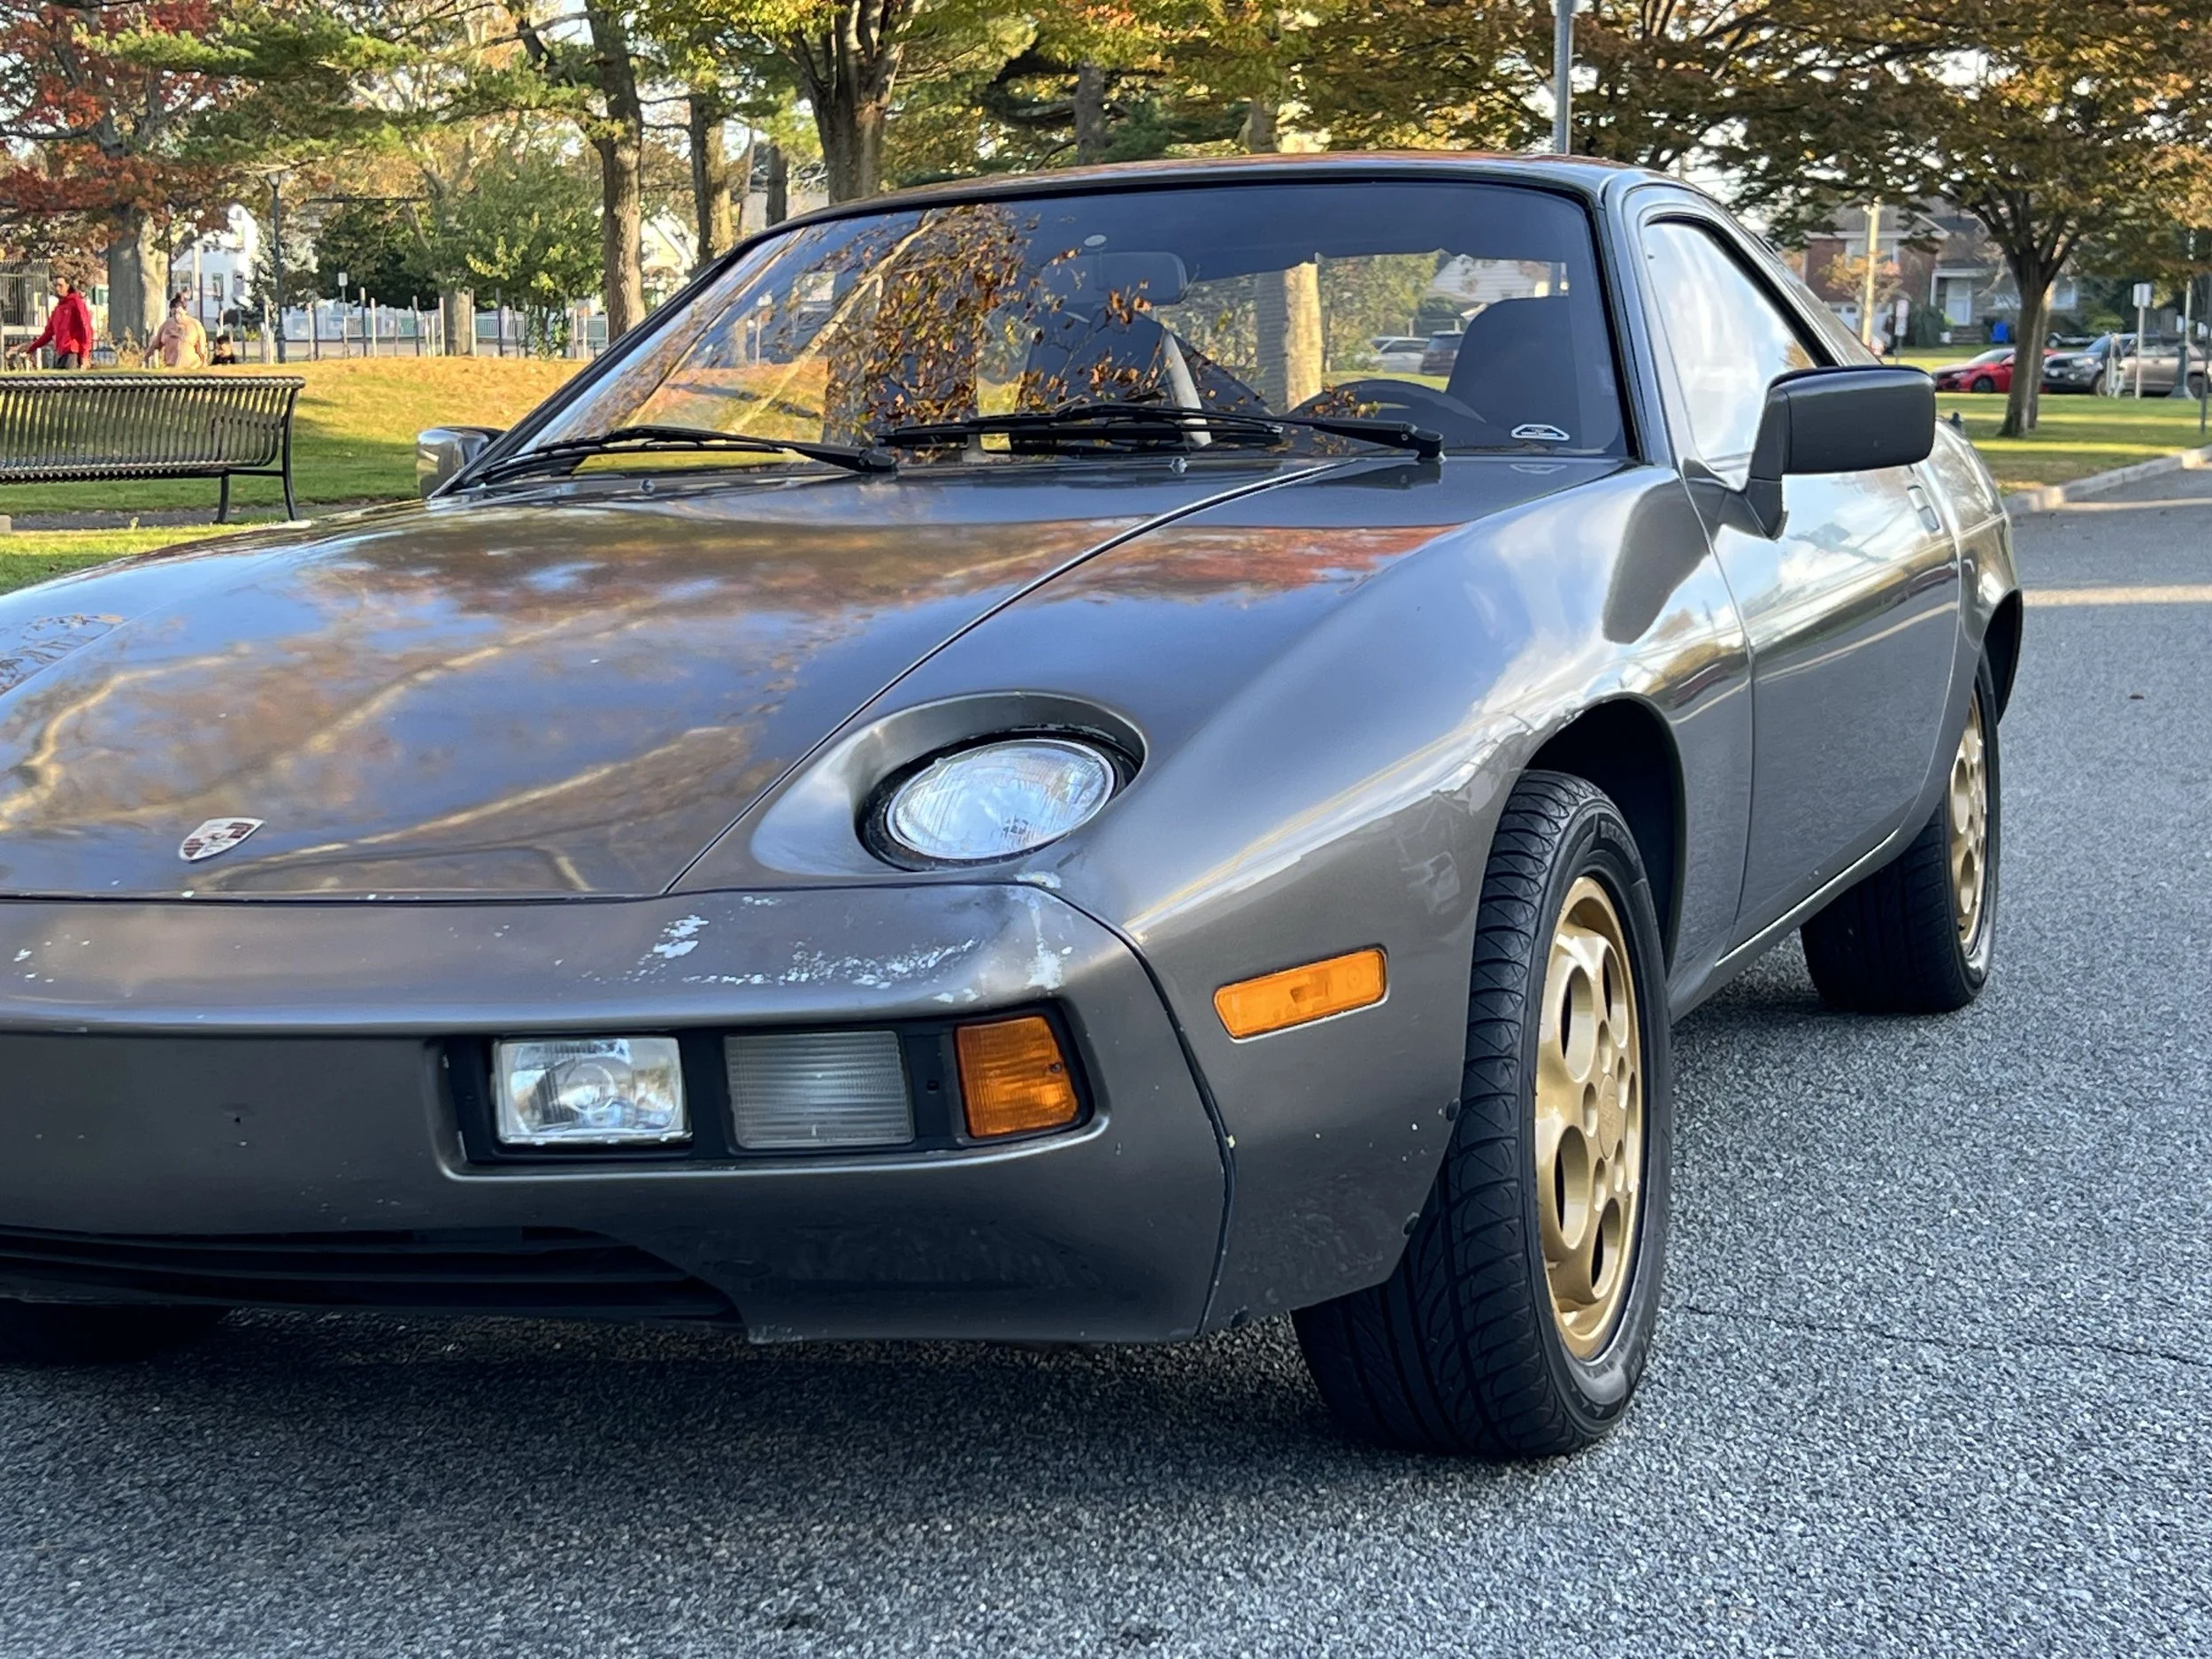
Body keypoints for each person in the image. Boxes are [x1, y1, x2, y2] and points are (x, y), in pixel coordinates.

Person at [8, 275, 94, 369]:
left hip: (73, 353)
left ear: (68, 286)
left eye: (60, 285)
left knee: (69, 382)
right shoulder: (57, 309)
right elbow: (47, 334)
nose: (57, 288)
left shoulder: (76, 303)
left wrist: (85, 355)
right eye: (55, 285)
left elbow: (86, 329)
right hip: (60, 353)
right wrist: (31, 348)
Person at [153, 292, 209, 369]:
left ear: (185, 311)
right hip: (171, 367)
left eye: (179, 314)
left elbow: (202, 349)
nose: (177, 317)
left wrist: (204, 362)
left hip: (191, 366)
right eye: (174, 314)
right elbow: (155, 344)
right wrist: (146, 358)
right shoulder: (166, 325)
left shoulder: (195, 325)